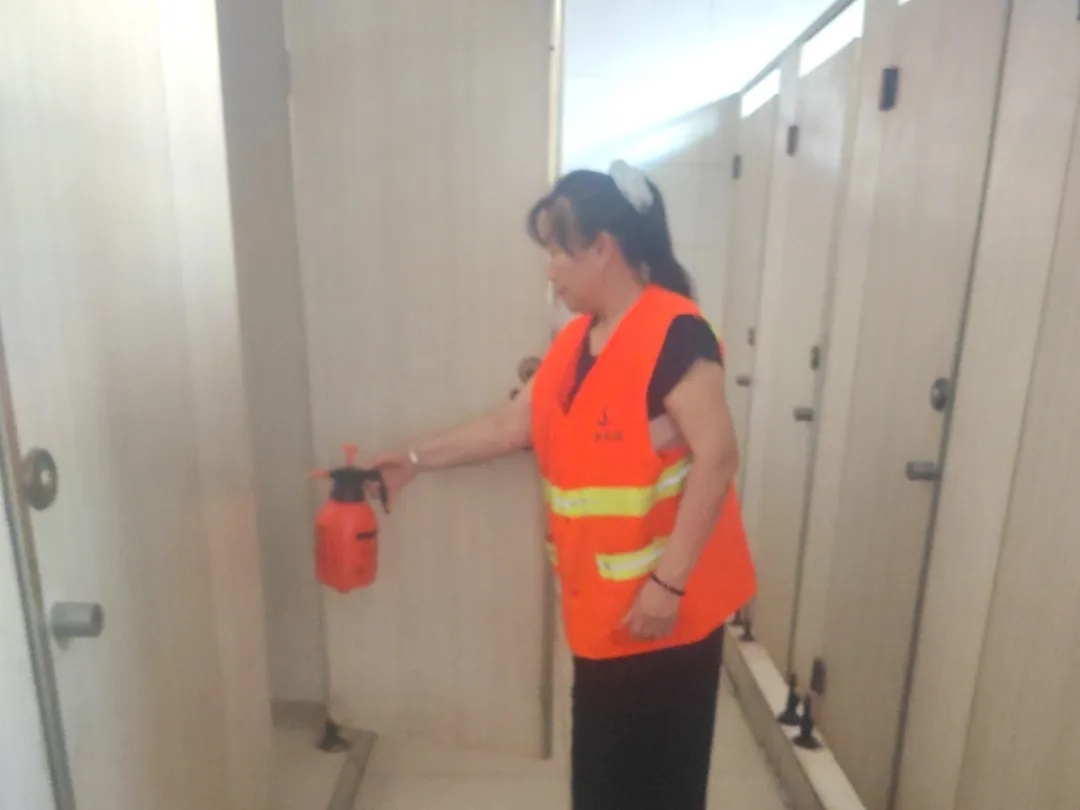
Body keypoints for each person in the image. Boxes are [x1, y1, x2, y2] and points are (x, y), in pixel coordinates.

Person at [370, 161, 757, 810]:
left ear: (602, 248)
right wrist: (414, 458)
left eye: (557, 251)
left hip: (669, 617)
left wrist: (668, 585)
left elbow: (718, 458)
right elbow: (513, 424)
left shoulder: (675, 332)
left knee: (661, 787)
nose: (550, 270)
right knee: (603, 785)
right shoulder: (577, 339)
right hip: (604, 617)